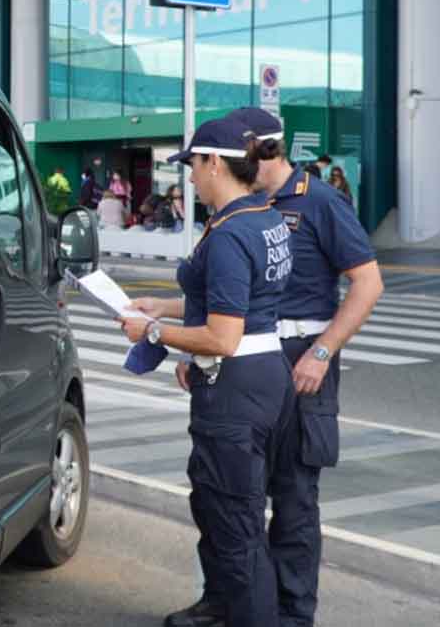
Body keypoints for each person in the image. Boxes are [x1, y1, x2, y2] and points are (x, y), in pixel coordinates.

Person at [210, 107, 382, 627]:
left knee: (294, 501)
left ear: (261, 151)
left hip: (303, 362)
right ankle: (231, 605)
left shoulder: (321, 202)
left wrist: (323, 351)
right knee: (233, 495)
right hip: (250, 359)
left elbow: (368, 283)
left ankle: (292, 616)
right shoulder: (244, 206)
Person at [123, 115, 295, 627]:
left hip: (235, 392)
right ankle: (220, 608)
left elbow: (223, 336)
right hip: (266, 376)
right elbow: (235, 301)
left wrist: (151, 333)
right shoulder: (265, 218)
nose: (190, 178)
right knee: (222, 513)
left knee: (237, 529)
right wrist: (166, 307)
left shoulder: (227, 234)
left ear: (215, 162)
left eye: (193, 166)